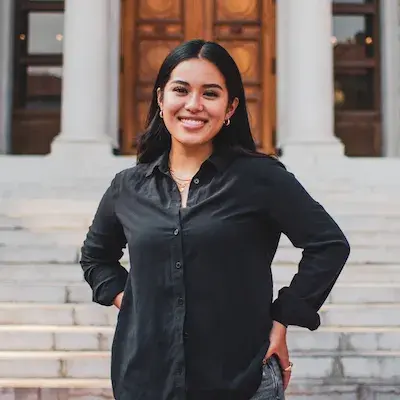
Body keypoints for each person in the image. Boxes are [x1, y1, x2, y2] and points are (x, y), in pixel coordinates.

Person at [80, 39, 350, 400]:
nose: (193, 105)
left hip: (242, 381)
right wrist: (128, 298)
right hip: (145, 380)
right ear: (161, 99)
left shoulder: (261, 178)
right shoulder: (127, 187)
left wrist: (284, 316)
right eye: (180, 90)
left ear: (230, 107)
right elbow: (96, 257)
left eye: (210, 93)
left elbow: (328, 245)